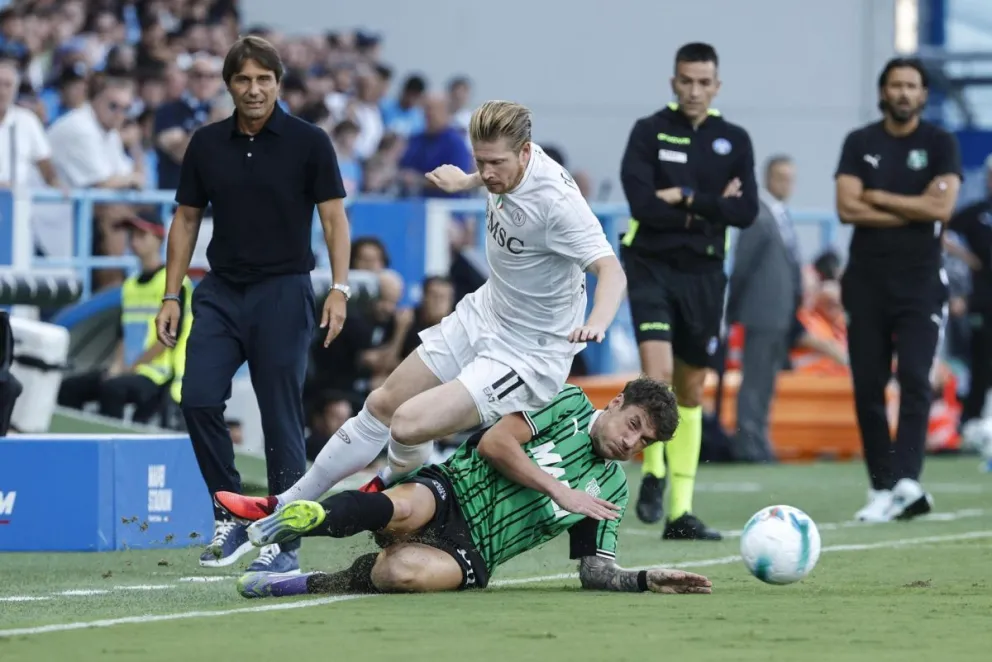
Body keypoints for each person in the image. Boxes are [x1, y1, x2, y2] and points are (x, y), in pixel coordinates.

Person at [223, 100, 628, 525]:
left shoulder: (559, 205)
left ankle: (389, 487)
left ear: (525, 153)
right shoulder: (510, 161)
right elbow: (492, 169)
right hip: (487, 312)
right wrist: (466, 180)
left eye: (496, 163)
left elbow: (611, 270)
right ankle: (284, 503)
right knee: (382, 403)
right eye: (481, 161)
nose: (488, 172)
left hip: (528, 354)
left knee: (407, 424)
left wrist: (597, 321)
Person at [218, 378, 711, 598]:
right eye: (634, 425)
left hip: (473, 552)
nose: (631, 443)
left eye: (645, 442)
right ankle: (296, 522)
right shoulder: (568, 403)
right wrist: (560, 491)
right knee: (402, 508)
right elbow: (496, 443)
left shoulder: (612, 490)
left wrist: (644, 579)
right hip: (452, 490)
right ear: (618, 402)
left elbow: (595, 572)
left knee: (399, 573)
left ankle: (295, 582)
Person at [155, 36, 352, 572]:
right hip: (220, 291)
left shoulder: (309, 142)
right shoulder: (206, 143)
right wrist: (171, 293)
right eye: (243, 79)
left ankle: (283, 543)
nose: (254, 89)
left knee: (280, 418)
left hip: (284, 291)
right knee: (197, 398)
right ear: (229, 85)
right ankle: (230, 514)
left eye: (264, 79)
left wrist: (339, 288)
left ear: (278, 83)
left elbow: (334, 218)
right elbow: (186, 220)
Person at [619, 42, 758, 539]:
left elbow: (746, 211)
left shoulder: (733, 140)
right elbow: (642, 205)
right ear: (673, 82)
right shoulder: (649, 131)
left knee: (692, 389)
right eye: (686, 81)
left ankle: (681, 513)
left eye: (703, 82)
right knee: (657, 377)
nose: (694, 90)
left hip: (705, 272)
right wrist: (713, 204)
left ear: (717, 86)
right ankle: (653, 472)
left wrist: (684, 196)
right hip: (651, 264)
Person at [834, 57, 962, 522]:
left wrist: (879, 197)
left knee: (914, 377)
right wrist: (914, 208)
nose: (903, 93)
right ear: (882, 92)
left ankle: (907, 481)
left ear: (923, 94)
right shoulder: (860, 142)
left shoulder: (940, 143)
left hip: (920, 284)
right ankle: (881, 485)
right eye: (896, 85)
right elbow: (847, 207)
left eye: (911, 86)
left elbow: (941, 208)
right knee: (868, 385)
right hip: (866, 283)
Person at [58, 213, 192, 423]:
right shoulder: (129, 286)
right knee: (69, 388)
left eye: (142, 235)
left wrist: (131, 368)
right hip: (131, 370)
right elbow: (123, 334)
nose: (134, 241)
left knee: (113, 389)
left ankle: (112, 439)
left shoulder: (174, 283)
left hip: (159, 374)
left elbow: (168, 339)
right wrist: (116, 368)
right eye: (132, 235)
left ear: (159, 238)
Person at [727, 155, 803, 463]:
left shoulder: (781, 215)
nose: (787, 184)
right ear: (769, 178)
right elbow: (742, 265)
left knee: (766, 382)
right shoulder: (757, 214)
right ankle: (749, 445)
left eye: (790, 178)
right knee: (755, 381)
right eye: (781, 177)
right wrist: (734, 308)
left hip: (780, 315)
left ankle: (759, 441)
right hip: (761, 314)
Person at [948, 154, 992, 439]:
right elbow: (940, 232)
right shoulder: (976, 213)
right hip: (983, 299)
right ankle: (971, 422)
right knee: (981, 362)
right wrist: (966, 257)